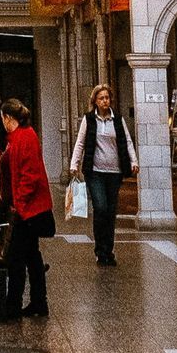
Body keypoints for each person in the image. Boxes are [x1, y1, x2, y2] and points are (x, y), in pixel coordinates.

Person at [0, 98, 54, 319]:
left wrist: (18, 205)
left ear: (8, 118)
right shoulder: (17, 137)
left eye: (2, 118)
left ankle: (13, 305)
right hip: (25, 207)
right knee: (31, 255)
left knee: (17, 257)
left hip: (28, 209)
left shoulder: (25, 137)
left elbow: (30, 175)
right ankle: (39, 302)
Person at [68, 82, 135, 266]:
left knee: (111, 211)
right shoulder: (89, 120)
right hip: (95, 171)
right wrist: (74, 163)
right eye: (101, 98)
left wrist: (133, 161)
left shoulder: (118, 120)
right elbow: (80, 142)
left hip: (114, 172)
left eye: (107, 98)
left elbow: (127, 141)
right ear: (95, 101)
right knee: (101, 208)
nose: (105, 101)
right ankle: (100, 249)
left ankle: (108, 251)